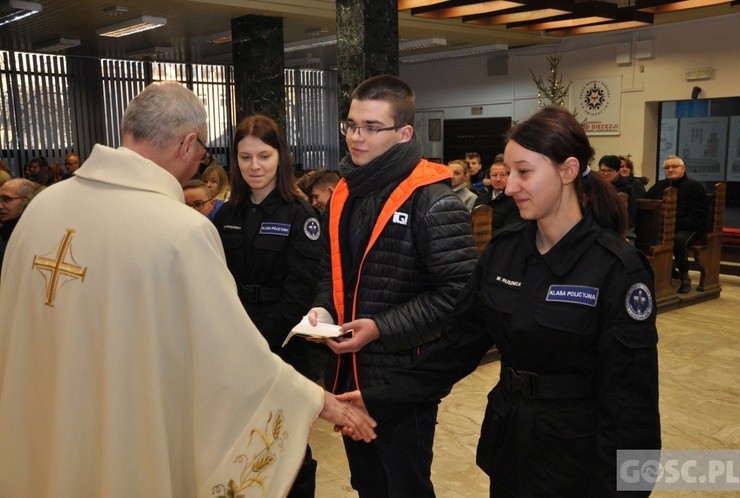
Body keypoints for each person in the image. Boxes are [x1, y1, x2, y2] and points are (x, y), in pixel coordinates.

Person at [0, 81, 376, 498]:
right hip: (123, 429)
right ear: (188, 144)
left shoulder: (41, 210)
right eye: (201, 155)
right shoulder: (178, 229)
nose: (199, 163)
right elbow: (231, 352)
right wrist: (326, 403)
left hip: (38, 428)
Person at [338, 106, 661, 497]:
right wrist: (378, 397)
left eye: (524, 172)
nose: (509, 188)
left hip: (579, 459)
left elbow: (632, 405)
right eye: (508, 173)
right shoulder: (504, 252)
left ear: (568, 170)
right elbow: (456, 347)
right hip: (512, 446)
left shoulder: (615, 268)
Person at [308, 74, 477, 498]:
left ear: (404, 134)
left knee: (404, 486)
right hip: (348, 370)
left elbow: (457, 294)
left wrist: (381, 326)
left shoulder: (434, 201)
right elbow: (334, 271)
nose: (356, 137)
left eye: (370, 127)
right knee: (368, 483)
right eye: (350, 125)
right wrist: (324, 310)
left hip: (404, 375)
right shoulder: (346, 191)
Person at [212, 114, 324, 497]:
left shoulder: (300, 215)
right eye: (245, 158)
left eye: (264, 155)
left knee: (286, 443)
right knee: (241, 444)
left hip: (280, 346)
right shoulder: (228, 214)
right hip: (234, 340)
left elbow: (300, 293)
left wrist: (258, 347)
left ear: (281, 158)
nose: (254, 166)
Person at [645, 154, 708, 293]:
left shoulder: (695, 187)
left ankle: (684, 278)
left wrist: (672, 226)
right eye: (667, 167)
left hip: (688, 228)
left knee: (678, 240)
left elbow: (699, 216)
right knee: (643, 238)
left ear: (683, 169)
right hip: (663, 227)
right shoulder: (658, 187)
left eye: (674, 166)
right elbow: (647, 205)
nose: (670, 169)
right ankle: (666, 273)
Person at [0, 178, 44, 277]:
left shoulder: (32, 234)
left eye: (7, 199)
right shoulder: (7, 229)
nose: (0, 206)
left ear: (27, 200)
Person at [474, 157, 525, 236]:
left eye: (503, 175)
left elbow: (512, 229)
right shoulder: (480, 199)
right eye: (494, 175)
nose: (498, 179)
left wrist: (487, 238)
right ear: (489, 177)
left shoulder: (516, 200)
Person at [599, 154, 637, 241]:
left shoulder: (626, 188)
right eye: (603, 170)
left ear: (617, 171)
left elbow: (631, 213)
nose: (605, 174)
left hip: (621, 227)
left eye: (610, 171)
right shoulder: (596, 186)